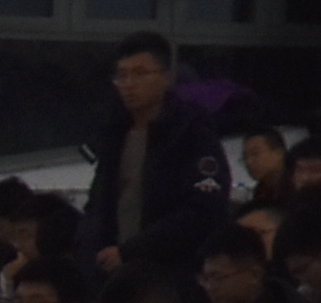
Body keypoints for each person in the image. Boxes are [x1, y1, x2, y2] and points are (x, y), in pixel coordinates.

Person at [79, 32, 232, 261]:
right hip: (112, 266)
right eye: (122, 76)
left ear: (166, 77)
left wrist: (133, 251)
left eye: (140, 74)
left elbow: (204, 210)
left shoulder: (191, 132)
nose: (129, 84)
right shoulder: (114, 133)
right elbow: (98, 206)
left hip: (171, 266)